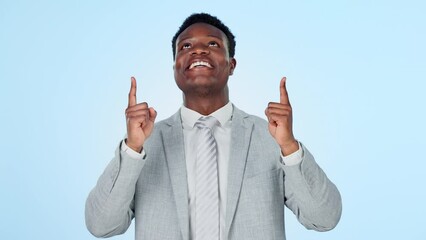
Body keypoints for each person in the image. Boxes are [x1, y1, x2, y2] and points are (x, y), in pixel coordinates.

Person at [85, 13, 342, 240]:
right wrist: (131, 149)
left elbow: (324, 218)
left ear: (231, 65)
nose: (198, 50)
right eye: (185, 46)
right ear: (175, 67)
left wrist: (289, 147)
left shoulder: (271, 138)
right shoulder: (143, 144)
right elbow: (101, 225)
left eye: (212, 44)